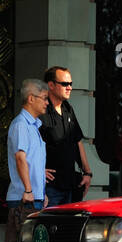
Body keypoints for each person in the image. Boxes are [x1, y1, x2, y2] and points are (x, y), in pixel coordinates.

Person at [5, 78, 49, 242]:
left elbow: (32, 161)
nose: (47, 104)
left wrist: (42, 191)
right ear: (31, 98)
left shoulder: (34, 127)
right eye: (44, 99)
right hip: (24, 198)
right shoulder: (21, 125)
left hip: (34, 197)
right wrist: (30, 190)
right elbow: (20, 158)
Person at [41, 65, 93, 206]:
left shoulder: (68, 108)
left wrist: (87, 173)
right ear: (51, 85)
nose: (69, 87)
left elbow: (78, 141)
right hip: (50, 187)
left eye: (70, 84)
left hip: (71, 184)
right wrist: (37, 170)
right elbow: (27, 146)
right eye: (64, 84)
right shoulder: (41, 110)